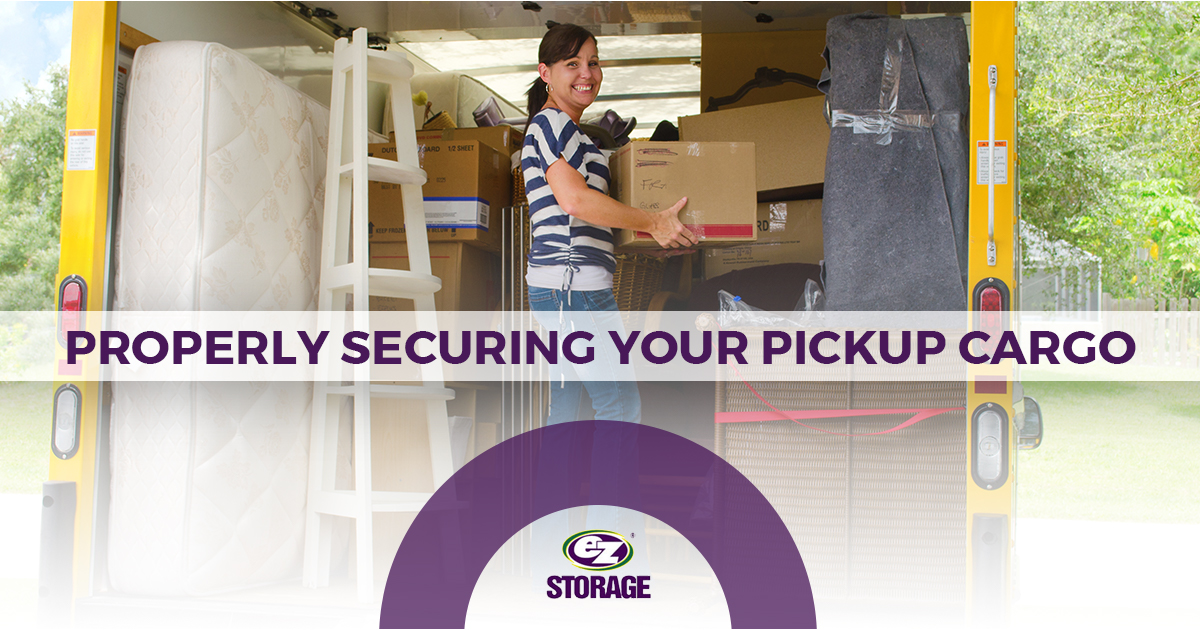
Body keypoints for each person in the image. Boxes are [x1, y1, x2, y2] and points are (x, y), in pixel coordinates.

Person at [520, 23, 697, 576]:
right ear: (546, 74)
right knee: (621, 408)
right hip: (573, 291)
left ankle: (553, 559)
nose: (587, 74)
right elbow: (574, 202)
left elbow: (598, 218)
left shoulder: (583, 139)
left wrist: (655, 232)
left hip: (568, 288)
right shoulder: (548, 127)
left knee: (568, 416)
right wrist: (653, 222)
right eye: (572, 64)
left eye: (593, 63)